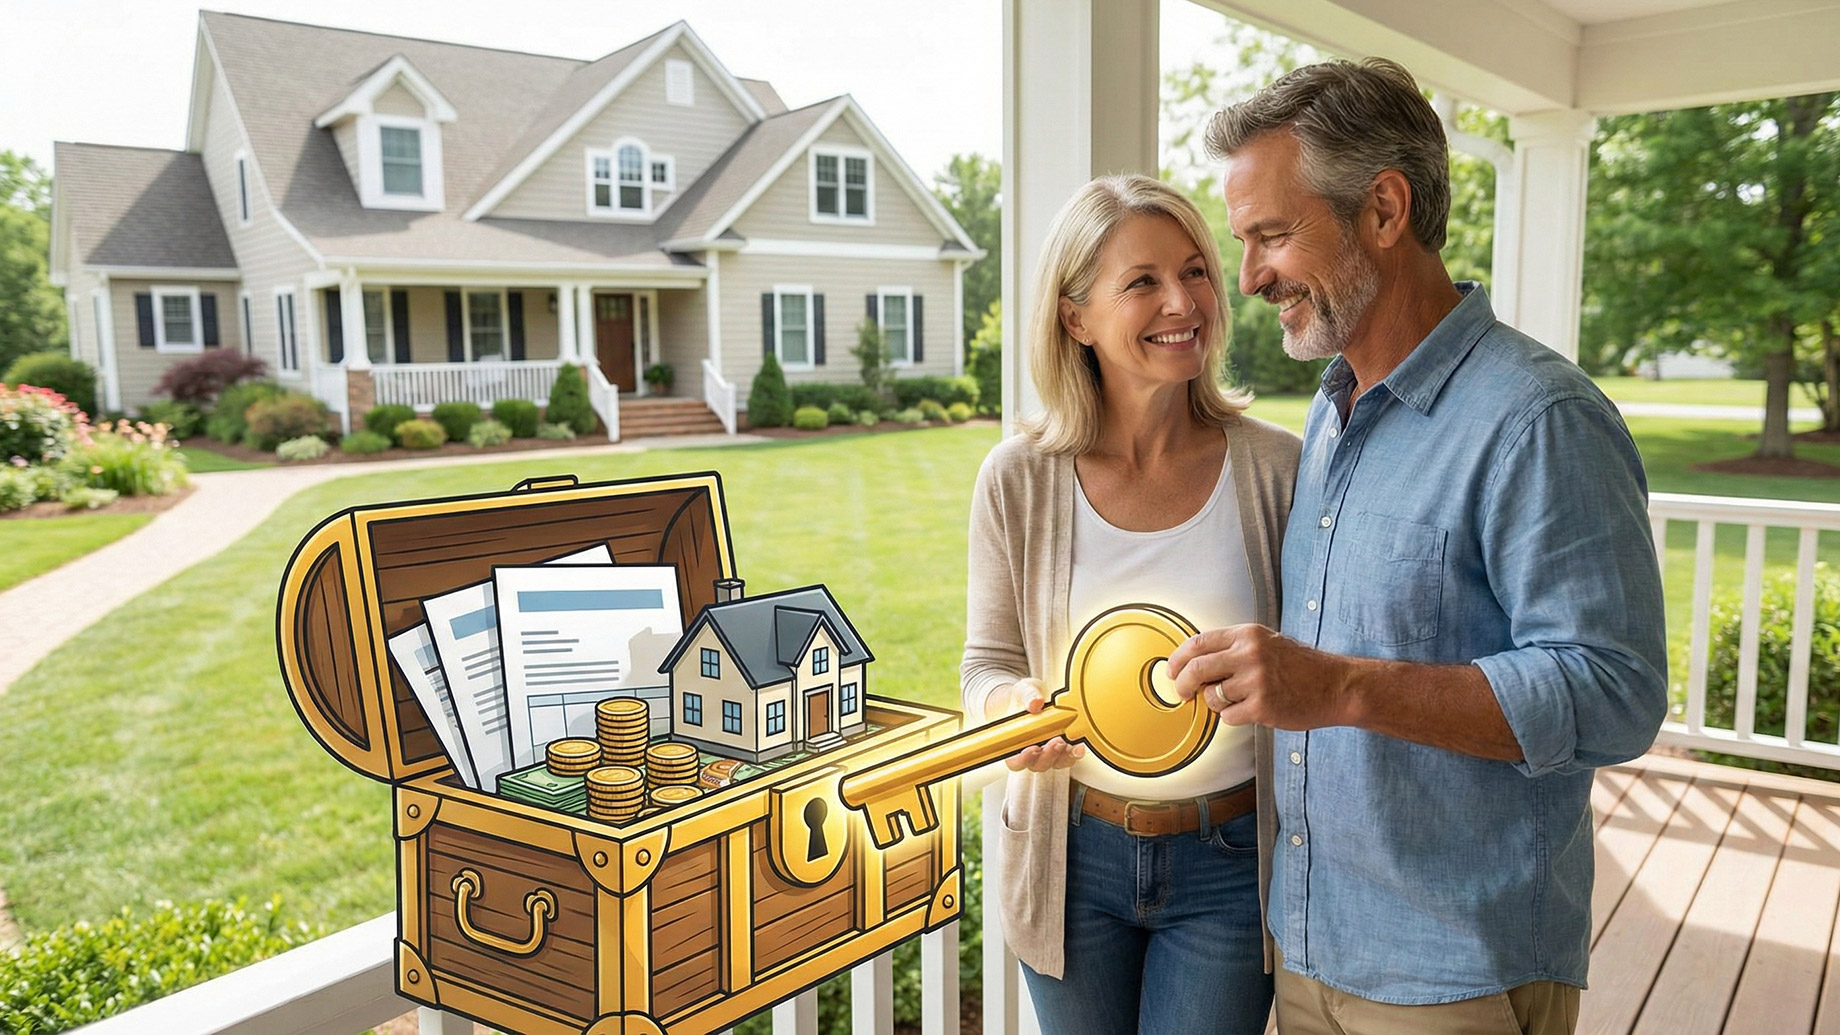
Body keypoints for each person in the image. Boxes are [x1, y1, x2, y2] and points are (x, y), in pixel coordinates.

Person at [1166, 59, 1668, 1035]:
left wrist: (1345, 688)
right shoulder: (1331, 413)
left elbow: (1615, 694)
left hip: (1452, 978)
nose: (1250, 276)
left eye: (1271, 234)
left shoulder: (1537, 420)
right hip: (1307, 952)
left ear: (1384, 211)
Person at [961, 173, 1300, 1035]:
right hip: (1070, 858)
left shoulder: (1277, 470)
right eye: (1142, 281)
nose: (1183, 300)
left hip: (1229, 862)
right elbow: (986, 664)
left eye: (1194, 271)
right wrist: (1010, 708)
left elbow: (1320, 664)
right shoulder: (1019, 477)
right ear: (1075, 317)